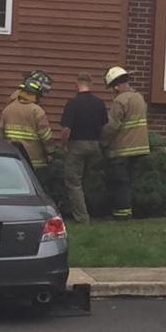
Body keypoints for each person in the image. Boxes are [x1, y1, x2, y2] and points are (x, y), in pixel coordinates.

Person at [100, 66, 150, 220]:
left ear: (116, 85)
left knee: (119, 183)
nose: (113, 91)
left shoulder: (120, 100)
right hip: (139, 147)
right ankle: (128, 212)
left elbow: (112, 126)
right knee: (128, 182)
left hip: (122, 149)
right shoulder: (139, 98)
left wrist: (102, 142)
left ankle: (121, 215)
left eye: (112, 88)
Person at [60, 72, 108, 224]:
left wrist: (64, 145)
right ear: (91, 84)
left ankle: (82, 218)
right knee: (90, 180)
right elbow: (104, 126)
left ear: (76, 84)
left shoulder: (72, 104)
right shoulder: (99, 103)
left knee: (74, 182)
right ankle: (96, 211)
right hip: (95, 145)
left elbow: (66, 129)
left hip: (77, 146)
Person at [0, 74, 54, 181]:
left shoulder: (8, 109)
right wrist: (51, 152)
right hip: (35, 163)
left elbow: (0, 134)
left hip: (13, 161)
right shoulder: (37, 111)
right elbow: (45, 136)